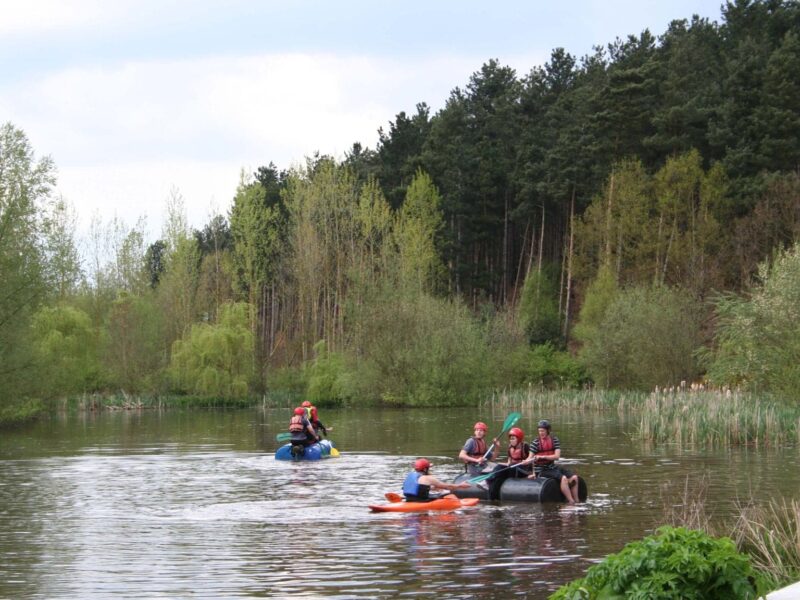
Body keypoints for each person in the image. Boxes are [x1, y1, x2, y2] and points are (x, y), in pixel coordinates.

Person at [524, 419, 580, 504]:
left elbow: (557, 456)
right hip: (542, 470)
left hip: (552, 467)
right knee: (564, 478)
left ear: (548, 430)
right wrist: (526, 462)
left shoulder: (554, 440)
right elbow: (529, 458)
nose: (541, 433)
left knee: (574, 478)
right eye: (539, 431)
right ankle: (571, 502)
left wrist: (543, 457)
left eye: (543, 431)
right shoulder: (535, 443)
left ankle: (577, 500)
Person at [473, 426, 531, 492]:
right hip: (512, 469)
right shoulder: (510, 447)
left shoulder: (525, 446)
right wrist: (499, 464)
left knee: (501, 467)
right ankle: (489, 485)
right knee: (499, 467)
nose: (511, 440)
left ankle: (486, 481)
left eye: (513, 439)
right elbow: (509, 463)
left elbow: (532, 459)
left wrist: (532, 473)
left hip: (522, 471)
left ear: (519, 439)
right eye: (510, 439)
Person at [402, 458, 471, 502]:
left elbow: (417, 487)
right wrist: (460, 485)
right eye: (429, 468)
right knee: (448, 494)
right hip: (422, 501)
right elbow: (447, 486)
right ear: (425, 469)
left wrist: (433, 488)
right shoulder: (428, 478)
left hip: (408, 499)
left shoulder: (410, 476)